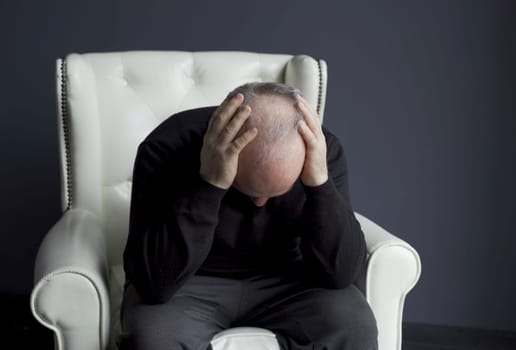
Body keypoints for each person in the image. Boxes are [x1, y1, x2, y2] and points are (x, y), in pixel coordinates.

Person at [118, 82, 378, 350]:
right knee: (153, 338)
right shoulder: (167, 144)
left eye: (276, 192)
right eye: (247, 190)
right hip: (188, 282)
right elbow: (153, 284)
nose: (260, 203)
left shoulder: (321, 149)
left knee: (354, 327)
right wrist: (211, 184)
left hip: (290, 281)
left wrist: (320, 185)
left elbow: (340, 274)